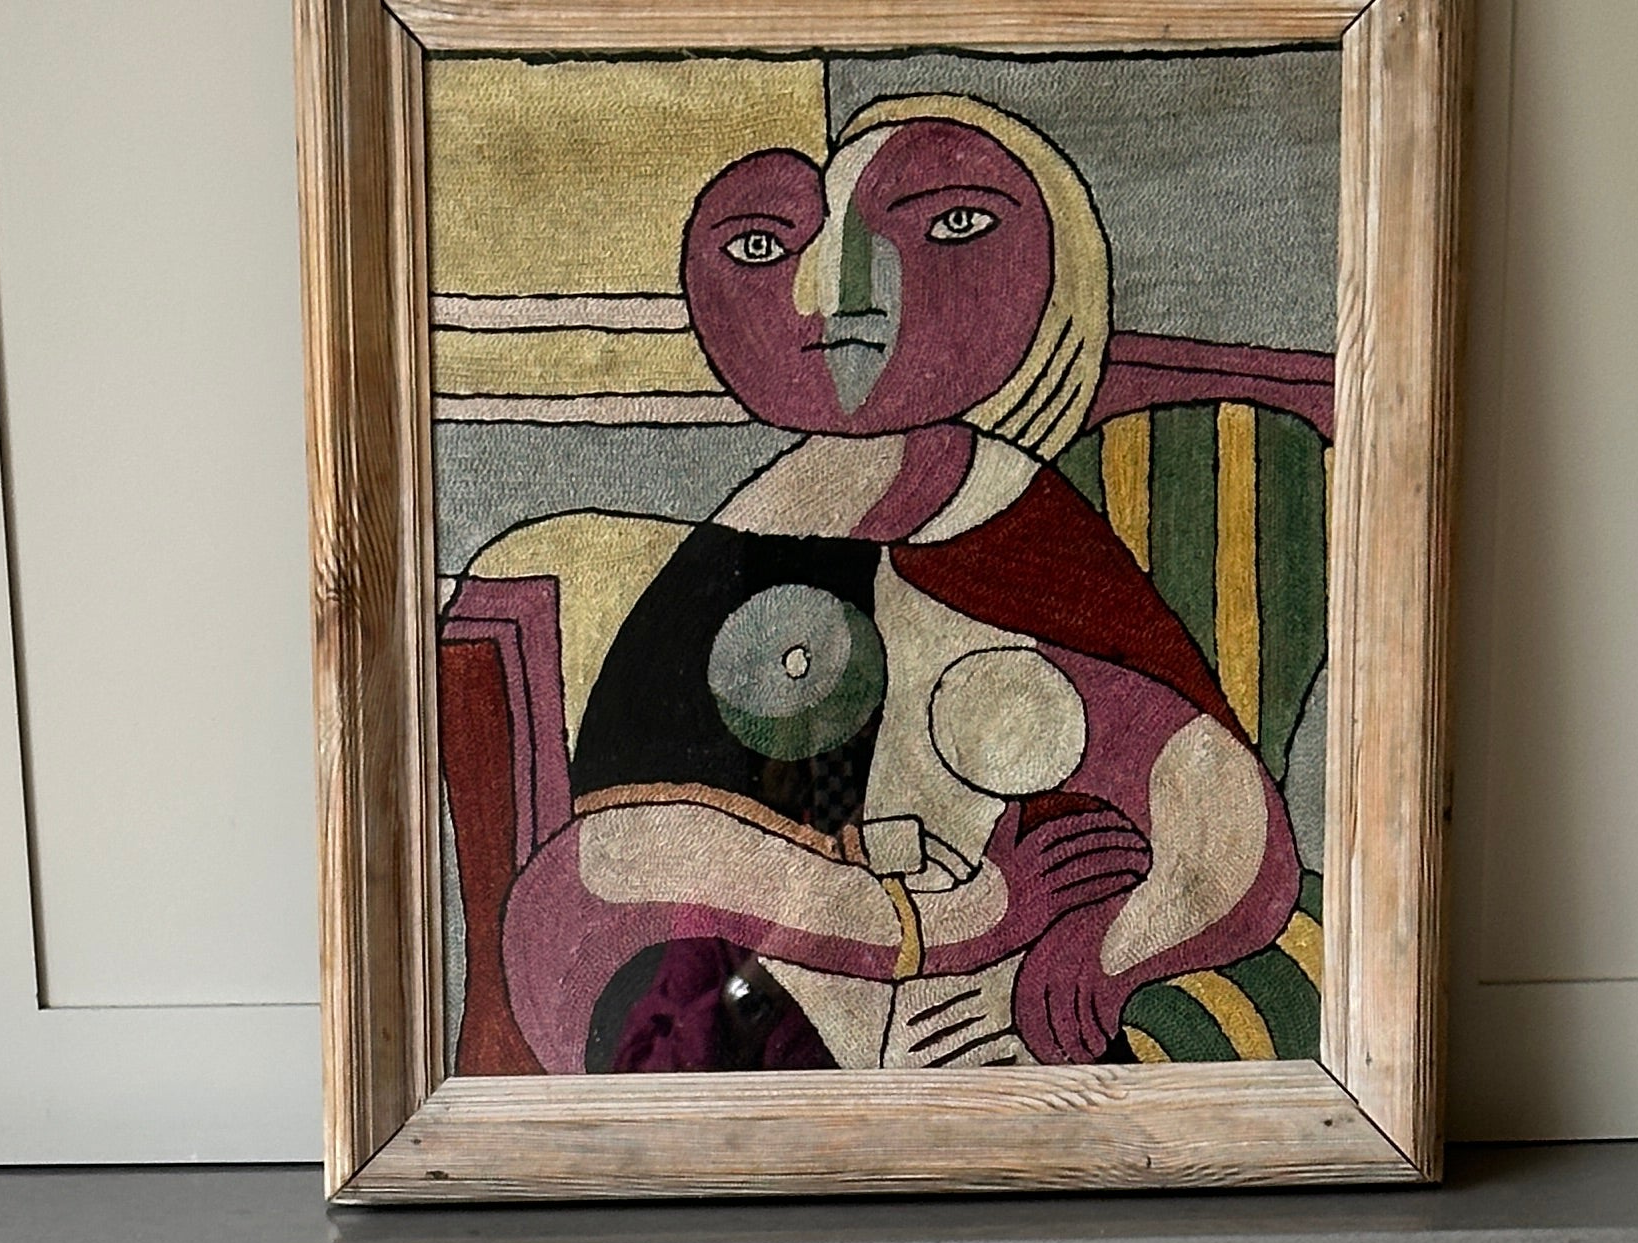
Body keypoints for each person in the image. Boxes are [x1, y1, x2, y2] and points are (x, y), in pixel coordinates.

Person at [458, 96, 1299, 1076]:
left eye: (949, 227)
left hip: (984, 1024)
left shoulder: (1021, 527)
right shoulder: (750, 539)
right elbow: (619, 863)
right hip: (770, 1005)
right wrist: (946, 920)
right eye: (766, 248)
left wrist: (1107, 953)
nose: (840, 294)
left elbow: (1222, 820)